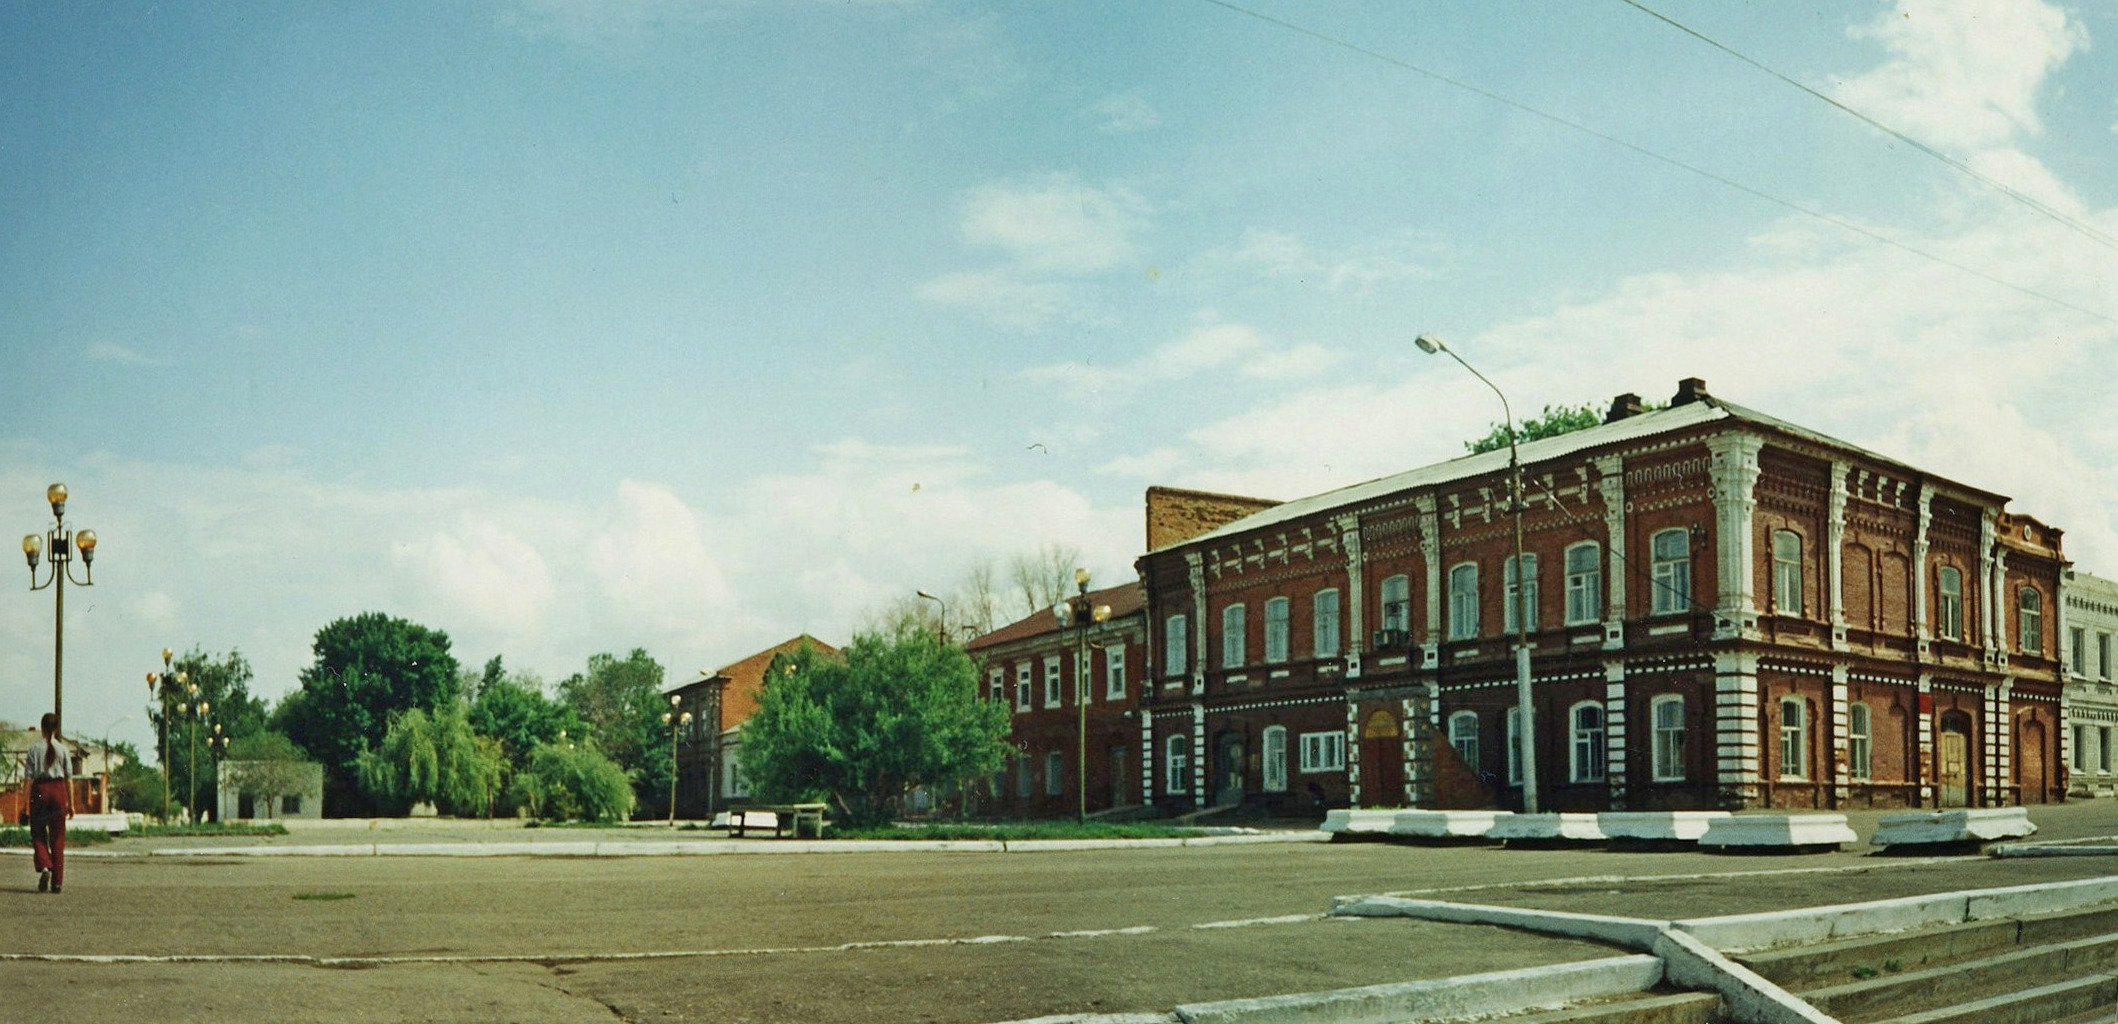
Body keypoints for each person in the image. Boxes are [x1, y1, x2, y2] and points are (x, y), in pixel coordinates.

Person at [24, 713, 72, 894]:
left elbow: (28, 779)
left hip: (40, 791)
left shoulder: (33, 749)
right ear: (57, 729)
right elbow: (69, 779)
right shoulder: (64, 750)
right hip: (59, 791)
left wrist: (24, 804)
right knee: (58, 838)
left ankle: (45, 865)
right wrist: (71, 803)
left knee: (37, 832)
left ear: (42, 728)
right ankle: (57, 883)